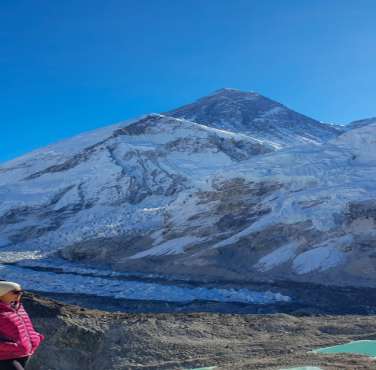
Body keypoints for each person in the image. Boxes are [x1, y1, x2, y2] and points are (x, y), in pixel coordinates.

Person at [0, 281, 44, 370]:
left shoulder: (18, 307)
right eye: (15, 292)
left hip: (24, 353)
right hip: (5, 356)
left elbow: (27, 327)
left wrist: (36, 337)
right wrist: (8, 346)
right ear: (2, 293)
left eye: (21, 292)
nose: (19, 295)